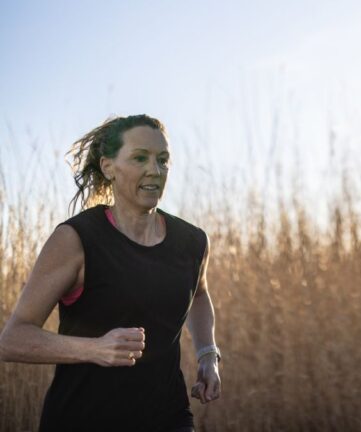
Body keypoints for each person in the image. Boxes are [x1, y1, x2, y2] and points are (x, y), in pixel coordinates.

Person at [0, 114, 221, 431]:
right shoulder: (76, 240)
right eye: (139, 158)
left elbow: (198, 294)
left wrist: (207, 355)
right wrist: (94, 348)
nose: (154, 170)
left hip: (169, 418)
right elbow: (12, 340)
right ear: (108, 167)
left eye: (163, 159)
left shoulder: (192, 241)